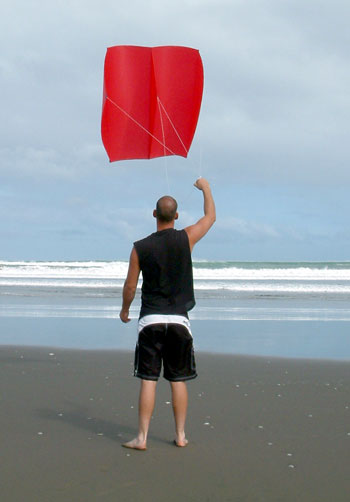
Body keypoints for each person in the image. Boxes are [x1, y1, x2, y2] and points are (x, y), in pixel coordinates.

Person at [119, 178, 215, 450]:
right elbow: (210, 217)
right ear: (176, 216)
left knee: (149, 379)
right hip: (179, 320)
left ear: (154, 215)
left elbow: (130, 285)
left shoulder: (140, 246)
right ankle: (181, 435)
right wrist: (205, 188)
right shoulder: (186, 237)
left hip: (150, 320)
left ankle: (142, 438)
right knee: (178, 379)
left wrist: (125, 309)